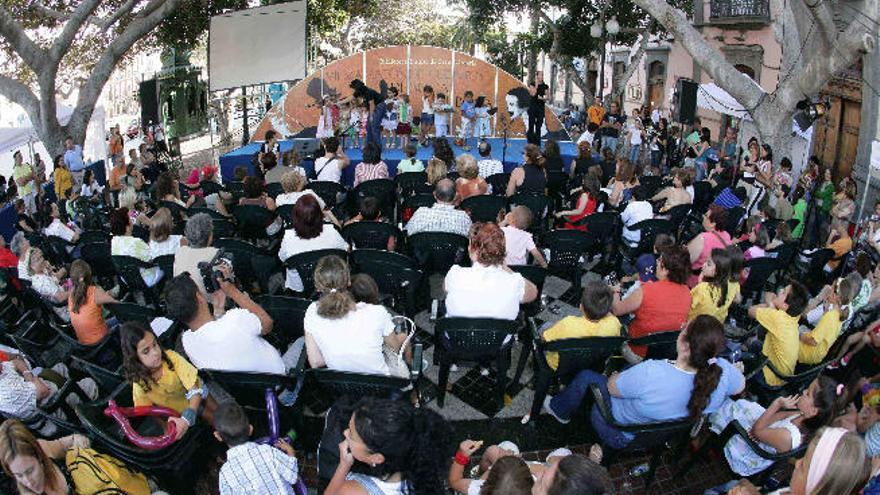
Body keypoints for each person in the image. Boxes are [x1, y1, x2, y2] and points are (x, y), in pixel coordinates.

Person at [544, 316, 744, 445]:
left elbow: (611, 388)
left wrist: (614, 378)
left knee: (587, 376)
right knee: (630, 372)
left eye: (683, 328)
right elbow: (740, 386)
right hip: (656, 437)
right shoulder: (722, 370)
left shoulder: (652, 371)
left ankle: (559, 410)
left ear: (685, 346)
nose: (681, 328)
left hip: (617, 430)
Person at [164, 270, 299, 376]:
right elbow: (267, 324)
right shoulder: (235, 320)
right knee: (302, 339)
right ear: (199, 297)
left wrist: (218, 312)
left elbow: (215, 335)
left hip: (255, 396)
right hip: (282, 380)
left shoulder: (187, 342)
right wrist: (233, 291)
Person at [709, 376, 846, 477]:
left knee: (730, 415)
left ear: (813, 411)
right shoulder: (801, 414)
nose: (803, 391)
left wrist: (777, 404)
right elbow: (777, 418)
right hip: (762, 434)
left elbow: (756, 431)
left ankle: (706, 422)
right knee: (739, 407)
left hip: (751, 452)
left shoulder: (789, 436)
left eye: (808, 394)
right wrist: (762, 428)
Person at [304, 255, 410, 377]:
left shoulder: (311, 312)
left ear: (318, 287)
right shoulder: (377, 312)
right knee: (404, 337)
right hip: (382, 385)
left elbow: (316, 362)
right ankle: (413, 390)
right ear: (348, 281)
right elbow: (395, 350)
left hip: (341, 385)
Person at [0, 418, 164, 495]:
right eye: (18, 475)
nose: (28, 482)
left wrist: (77, 441)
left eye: (30, 471)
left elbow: (66, 442)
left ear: (40, 459)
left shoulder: (44, 448)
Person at [325, 397, 450, 495]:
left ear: (376, 458)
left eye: (351, 434)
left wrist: (343, 465)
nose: (345, 433)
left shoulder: (352, 491)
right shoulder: (424, 469)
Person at [120, 321, 216, 442]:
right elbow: (148, 411)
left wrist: (187, 418)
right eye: (146, 351)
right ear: (135, 359)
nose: (155, 352)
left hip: (197, 396)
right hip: (178, 411)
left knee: (218, 417)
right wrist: (165, 427)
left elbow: (195, 389)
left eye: (155, 344)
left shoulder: (172, 358)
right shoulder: (140, 383)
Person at [613, 245, 692, 361]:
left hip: (637, 351)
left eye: (659, 260)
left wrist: (616, 291)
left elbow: (617, 310)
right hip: (666, 352)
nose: (656, 261)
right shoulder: (688, 292)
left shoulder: (645, 290)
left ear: (665, 269)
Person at [444, 223, 538, 320]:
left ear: (472, 249)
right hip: (500, 335)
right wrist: (507, 269)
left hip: (457, 335)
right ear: (501, 252)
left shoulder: (455, 274)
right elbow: (533, 293)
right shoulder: (515, 282)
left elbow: (447, 290)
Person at [214, 401, 300, 494]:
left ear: (218, 436)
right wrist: (291, 451)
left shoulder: (225, 474)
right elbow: (293, 477)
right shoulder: (268, 452)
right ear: (250, 429)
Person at [542, 279, 620, 371]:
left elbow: (544, 340)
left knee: (545, 326)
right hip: (592, 364)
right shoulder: (614, 323)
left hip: (559, 366)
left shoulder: (568, 323)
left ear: (581, 306)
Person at [278, 194, 347, 293]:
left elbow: (282, 258)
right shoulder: (332, 231)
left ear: (295, 216)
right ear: (320, 215)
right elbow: (345, 251)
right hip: (330, 283)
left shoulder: (288, 237)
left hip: (300, 289)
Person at [747, 281, 810, 387]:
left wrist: (770, 303)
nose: (780, 290)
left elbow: (751, 311)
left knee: (741, 359)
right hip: (782, 376)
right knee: (755, 345)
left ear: (785, 305)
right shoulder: (793, 316)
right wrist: (772, 305)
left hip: (770, 377)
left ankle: (744, 387)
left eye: (783, 292)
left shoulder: (779, 318)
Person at [798, 276, 856, 365]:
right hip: (818, 355)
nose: (828, 289)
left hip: (807, 353)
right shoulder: (839, 315)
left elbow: (813, 341)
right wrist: (825, 312)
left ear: (835, 295)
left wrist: (798, 335)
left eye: (831, 288)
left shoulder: (830, 316)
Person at [67, 260, 116, 346]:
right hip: (101, 340)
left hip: (85, 344)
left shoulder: (71, 295)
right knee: (125, 319)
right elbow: (120, 306)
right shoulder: (94, 292)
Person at [110, 207, 162, 287]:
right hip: (144, 279)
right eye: (130, 220)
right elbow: (153, 258)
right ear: (127, 227)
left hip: (126, 279)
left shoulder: (113, 241)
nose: (132, 221)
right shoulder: (135, 242)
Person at [172, 213, 218, 298]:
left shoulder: (180, 252)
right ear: (209, 236)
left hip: (185, 300)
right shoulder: (216, 254)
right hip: (211, 303)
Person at [689, 247, 741, 323]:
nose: (703, 265)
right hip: (716, 321)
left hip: (694, 324)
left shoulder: (702, 288)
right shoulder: (733, 283)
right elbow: (738, 299)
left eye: (709, 263)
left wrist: (701, 284)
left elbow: (689, 306)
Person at [406, 179, 472, 237]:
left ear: (434, 195)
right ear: (455, 196)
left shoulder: (420, 213)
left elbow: (406, 234)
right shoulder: (463, 218)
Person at [687, 204, 732, 278]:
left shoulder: (703, 238)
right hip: (710, 280)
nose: (703, 217)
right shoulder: (727, 236)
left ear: (713, 224)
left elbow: (687, 260)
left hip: (693, 278)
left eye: (706, 216)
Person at [526, 71, 548, 145]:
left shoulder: (545, 86)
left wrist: (543, 98)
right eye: (540, 75)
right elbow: (533, 93)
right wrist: (536, 84)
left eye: (543, 75)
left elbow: (547, 97)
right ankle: (530, 142)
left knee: (539, 126)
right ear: (537, 76)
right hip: (533, 107)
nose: (542, 76)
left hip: (540, 108)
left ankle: (537, 143)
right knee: (531, 125)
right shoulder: (532, 84)